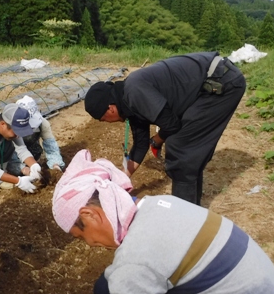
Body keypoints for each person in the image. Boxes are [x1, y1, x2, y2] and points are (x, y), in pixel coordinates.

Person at [32, 149, 274, 294]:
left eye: (80, 235)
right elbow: (152, 272)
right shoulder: (160, 206)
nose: (89, 244)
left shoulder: (135, 262)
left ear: (90, 215)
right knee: (106, 289)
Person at [84, 51, 246, 205]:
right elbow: (141, 144)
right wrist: (122, 179)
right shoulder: (128, 101)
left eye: (104, 120)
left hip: (222, 83)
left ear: (110, 109)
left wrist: (158, 139)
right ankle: (192, 209)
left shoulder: (135, 92)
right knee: (186, 152)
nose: (108, 122)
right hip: (210, 83)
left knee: (180, 148)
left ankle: (185, 217)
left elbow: (172, 125)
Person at [6, 95, 66, 176]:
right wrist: (24, 169)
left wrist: (55, 165)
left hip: (33, 154)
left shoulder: (43, 124)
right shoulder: (11, 128)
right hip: (14, 157)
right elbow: (11, 153)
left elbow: (51, 147)